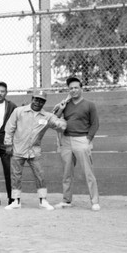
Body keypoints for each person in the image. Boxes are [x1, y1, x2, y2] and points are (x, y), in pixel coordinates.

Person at [4, 90, 66, 211]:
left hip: (34, 151)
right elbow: (9, 128)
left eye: (41, 100)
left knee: (40, 175)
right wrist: (8, 145)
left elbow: (59, 125)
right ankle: (16, 201)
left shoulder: (46, 116)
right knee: (15, 175)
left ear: (44, 102)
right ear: (32, 99)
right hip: (18, 149)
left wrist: (61, 111)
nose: (38, 102)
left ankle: (43, 201)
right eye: (36, 99)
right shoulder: (19, 111)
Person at [53, 77, 101, 211]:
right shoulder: (65, 104)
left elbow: (95, 123)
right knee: (67, 173)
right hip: (66, 141)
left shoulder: (89, 104)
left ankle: (95, 201)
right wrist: (61, 107)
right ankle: (66, 200)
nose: (73, 90)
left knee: (88, 172)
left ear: (81, 88)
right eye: (71, 88)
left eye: (76, 88)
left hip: (82, 140)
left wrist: (88, 139)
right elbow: (55, 119)